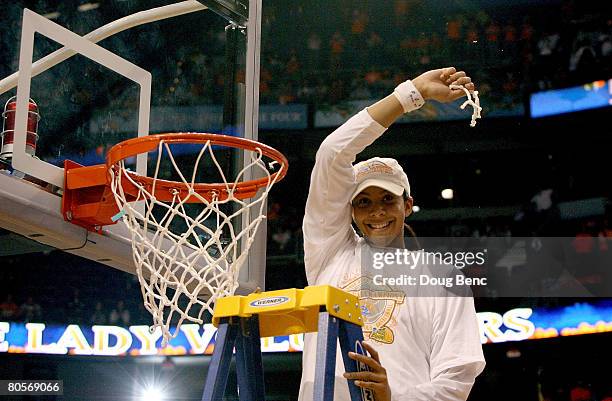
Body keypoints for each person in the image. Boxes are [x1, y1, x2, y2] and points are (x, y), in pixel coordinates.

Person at [299, 67, 485, 401]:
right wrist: (411, 93)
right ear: (351, 211)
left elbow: (456, 381)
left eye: (388, 199)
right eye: (364, 202)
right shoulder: (329, 252)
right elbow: (332, 153)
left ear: (408, 204)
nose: (377, 212)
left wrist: (391, 398)